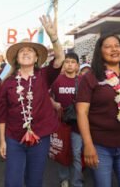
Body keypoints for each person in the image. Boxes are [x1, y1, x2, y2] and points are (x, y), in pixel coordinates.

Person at [0, 15, 65, 186]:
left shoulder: (44, 76)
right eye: (21, 51)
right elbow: (2, 115)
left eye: (30, 51)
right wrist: (2, 140)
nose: (26, 52)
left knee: (34, 181)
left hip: (40, 137)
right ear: (17, 59)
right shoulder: (8, 83)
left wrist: (54, 37)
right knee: (12, 182)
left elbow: (60, 59)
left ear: (36, 58)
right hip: (14, 138)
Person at [76, 34, 120, 187]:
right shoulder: (91, 78)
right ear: (100, 52)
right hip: (100, 145)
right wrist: (88, 145)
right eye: (108, 46)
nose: (114, 49)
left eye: (117, 45)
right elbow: (82, 112)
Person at [50, 52, 83, 187]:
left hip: (78, 125)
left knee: (76, 154)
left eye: (72, 62)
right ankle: (64, 179)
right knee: (62, 152)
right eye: (67, 62)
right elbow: (48, 96)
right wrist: (54, 103)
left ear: (77, 66)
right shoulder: (57, 80)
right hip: (61, 124)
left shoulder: (83, 81)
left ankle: (76, 182)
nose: (69, 64)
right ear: (64, 65)